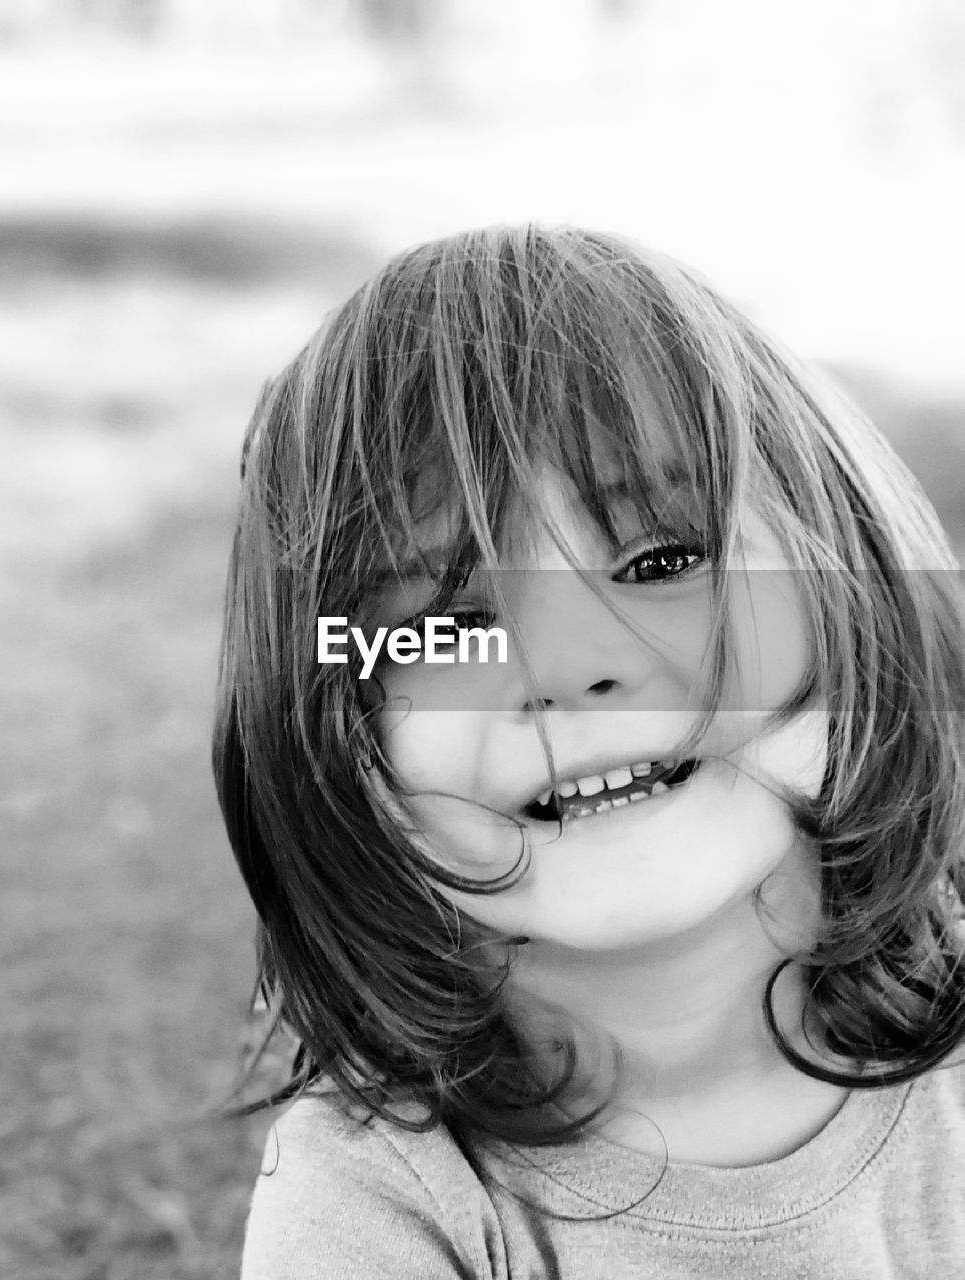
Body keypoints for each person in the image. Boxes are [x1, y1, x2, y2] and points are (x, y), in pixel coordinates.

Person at [212, 224, 965, 1278]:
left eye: (664, 557)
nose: (568, 665)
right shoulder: (381, 1204)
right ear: (340, 746)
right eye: (446, 621)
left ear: (855, 590)